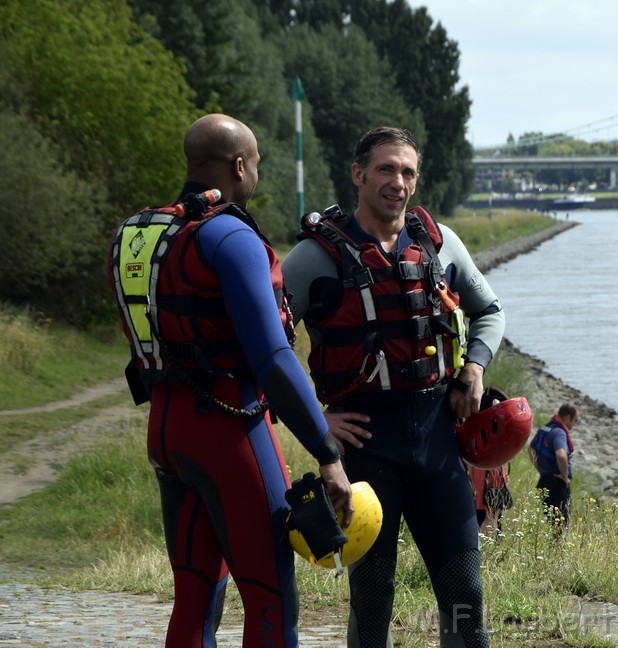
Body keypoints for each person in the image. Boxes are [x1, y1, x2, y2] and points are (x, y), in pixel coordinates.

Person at [107, 114, 353, 647]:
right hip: (229, 433)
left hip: (166, 432)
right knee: (269, 596)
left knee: (194, 597)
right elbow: (272, 358)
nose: (257, 175)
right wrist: (326, 452)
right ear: (239, 166)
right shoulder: (230, 236)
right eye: (257, 164)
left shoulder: (138, 234)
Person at [281, 126, 505, 648]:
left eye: (407, 172)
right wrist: (318, 421)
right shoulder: (315, 259)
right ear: (358, 175)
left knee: (465, 595)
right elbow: (264, 350)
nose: (397, 182)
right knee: (374, 596)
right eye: (385, 169)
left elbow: (489, 312)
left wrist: (474, 368)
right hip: (365, 445)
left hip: (438, 439)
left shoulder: (440, 243)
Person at [528, 403, 580, 530]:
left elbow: (530, 449)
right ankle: (560, 549)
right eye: (575, 420)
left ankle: (555, 548)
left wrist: (540, 468)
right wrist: (564, 476)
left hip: (544, 482)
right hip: (557, 484)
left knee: (552, 524)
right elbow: (561, 455)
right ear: (568, 418)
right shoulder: (559, 433)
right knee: (562, 526)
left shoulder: (546, 428)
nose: (575, 424)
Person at [469, 463, 513, 536]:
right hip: (485, 474)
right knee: (489, 515)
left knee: (492, 514)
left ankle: (487, 540)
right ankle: (487, 541)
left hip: (490, 473)